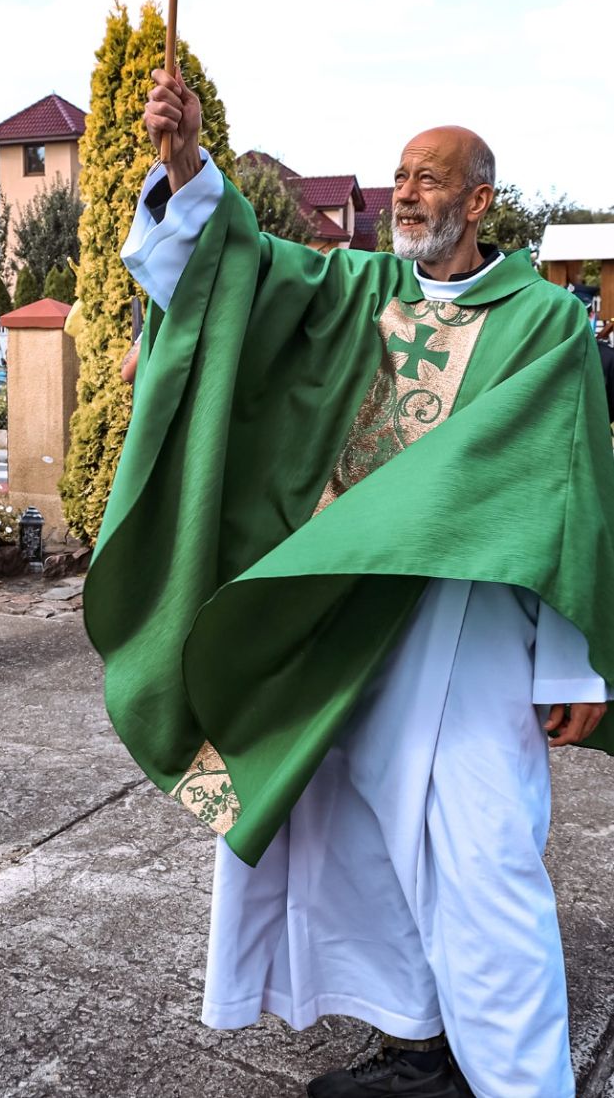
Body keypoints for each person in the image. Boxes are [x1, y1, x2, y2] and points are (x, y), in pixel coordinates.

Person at [83, 69, 614, 1098]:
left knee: (482, 857)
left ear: (479, 200)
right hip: (336, 624)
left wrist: (571, 663)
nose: (405, 193)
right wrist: (186, 168)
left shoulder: (543, 322)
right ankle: (419, 1045)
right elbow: (233, 273)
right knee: (359, 843)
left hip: (464, 633)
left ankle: (522, 1081)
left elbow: (568, 489)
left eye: (430, 178)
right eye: (399, 176)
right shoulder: (360, 292)